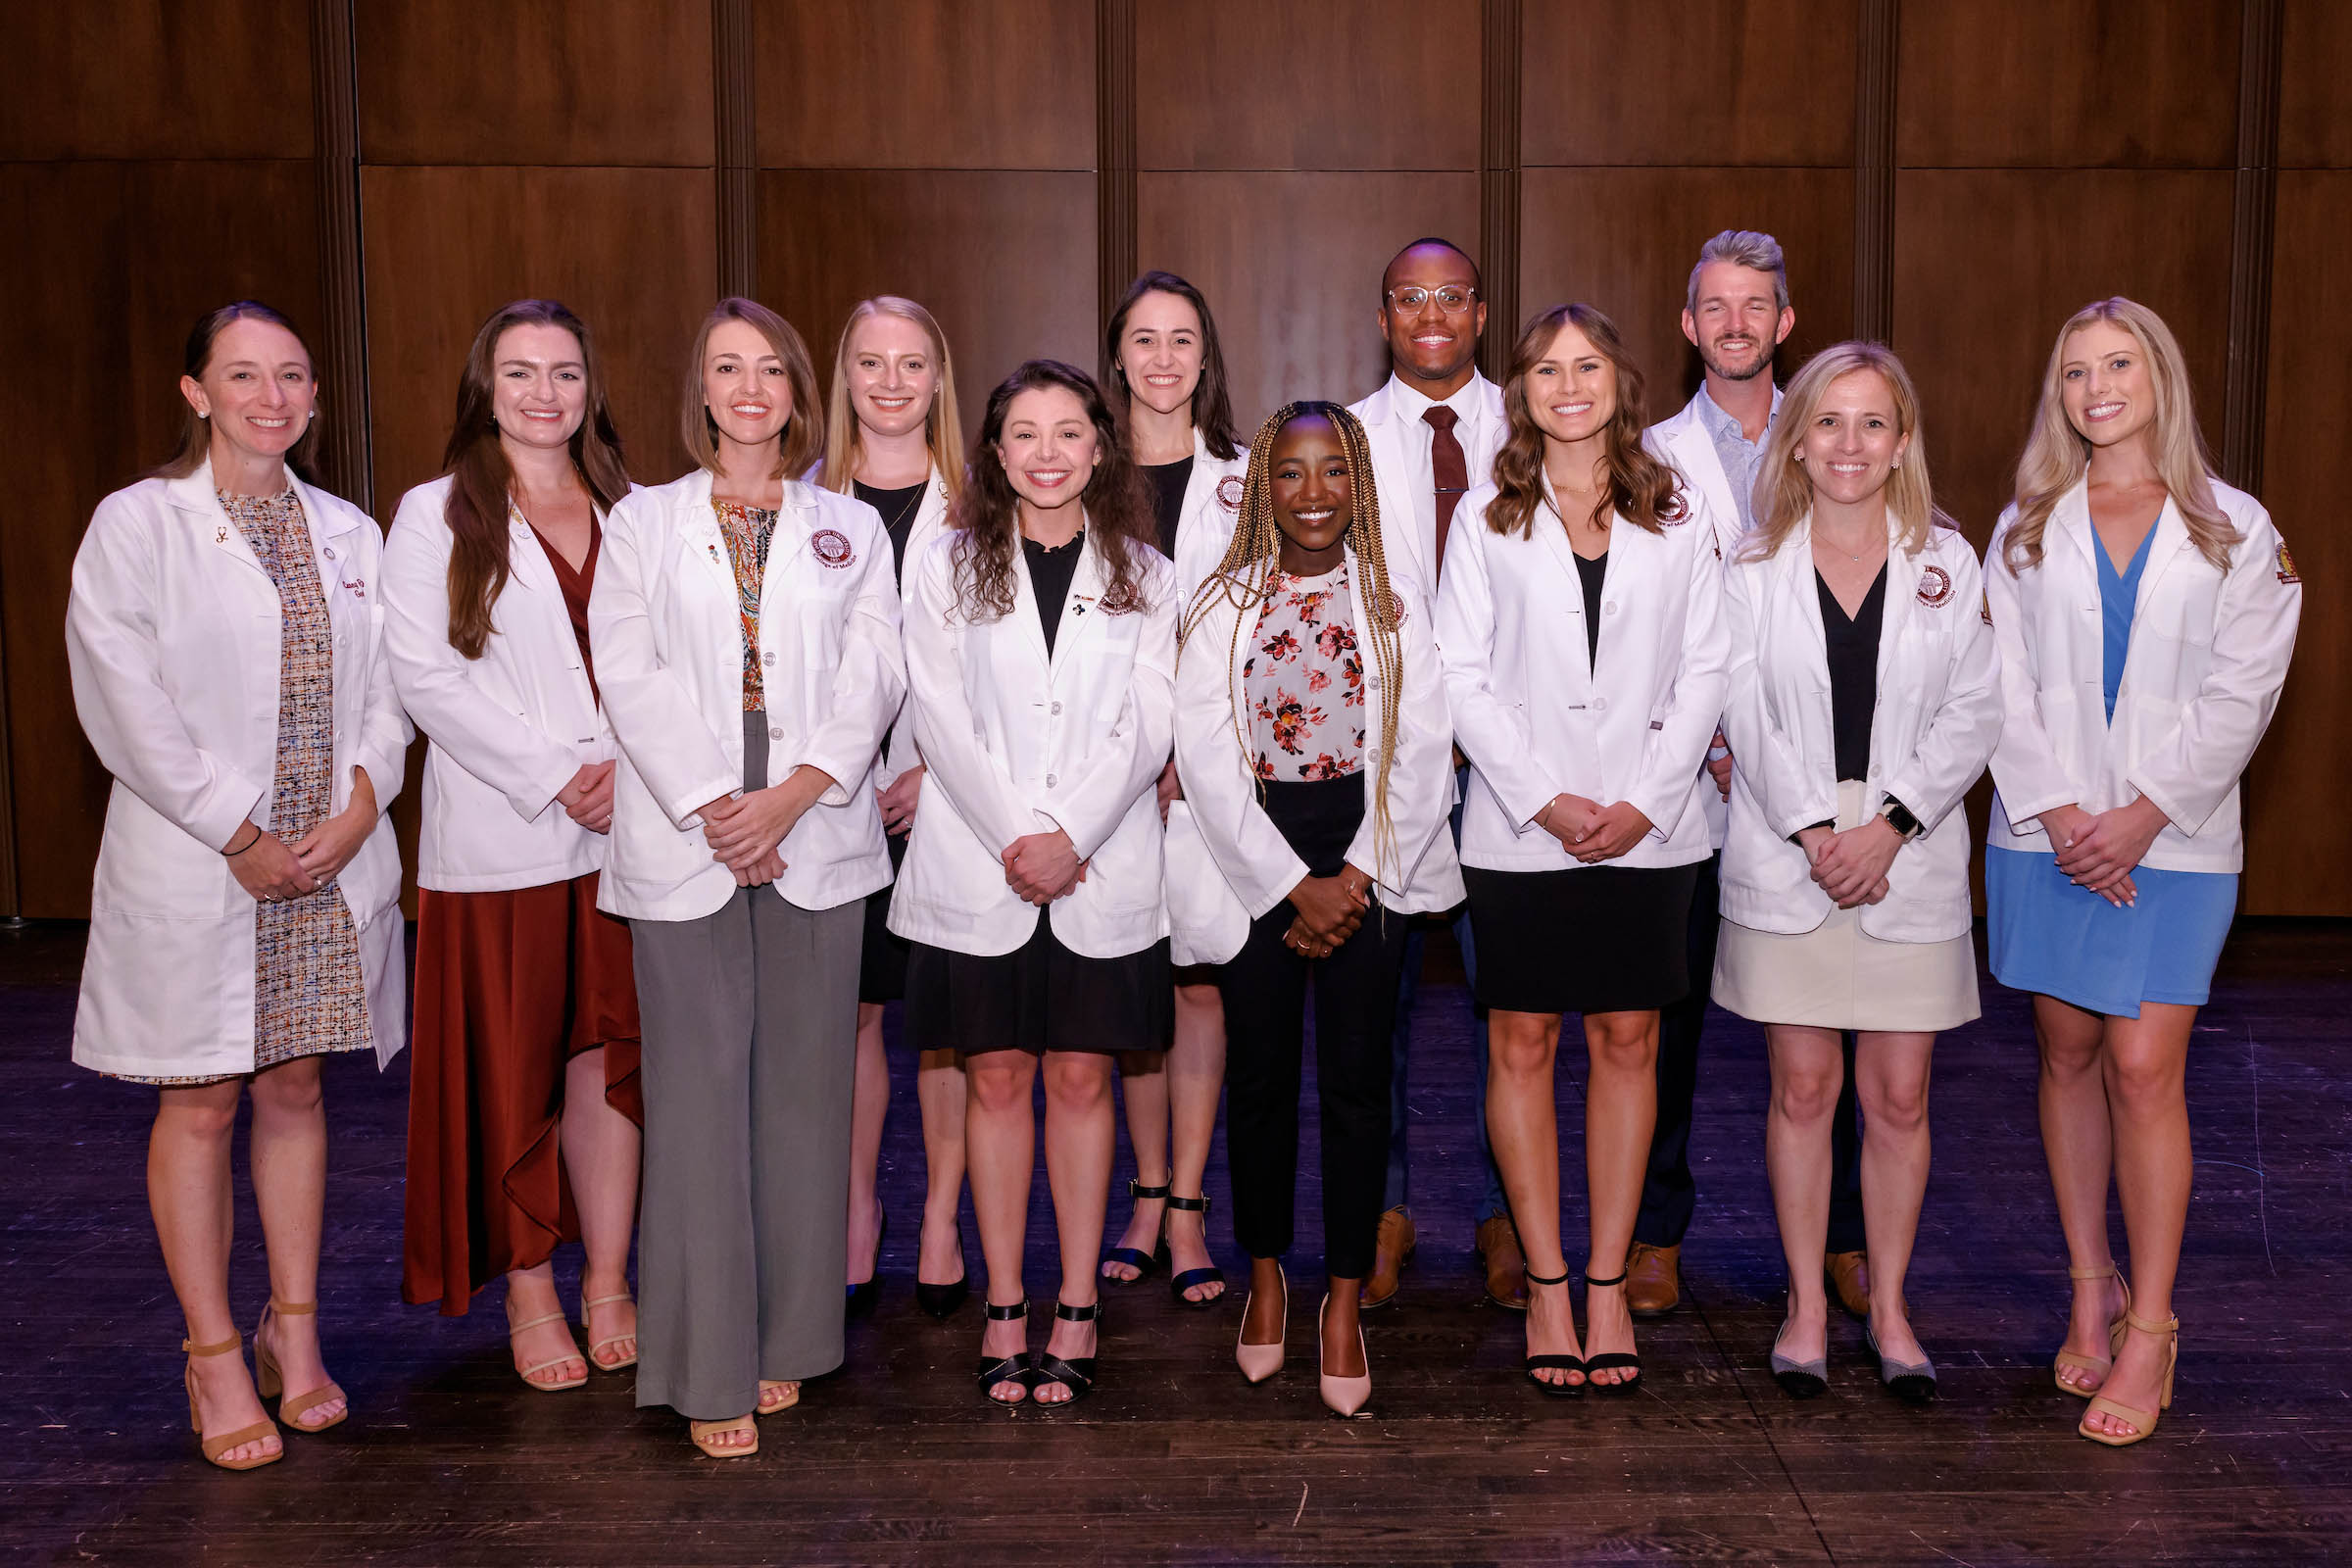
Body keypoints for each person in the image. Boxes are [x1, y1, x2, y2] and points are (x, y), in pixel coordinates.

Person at [66, 301, 409, 1469]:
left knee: (298, 1090)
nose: (273, 398)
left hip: (325, 861)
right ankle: (213, 1350)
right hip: (214, 864)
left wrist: (361, 805)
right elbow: (125, 703)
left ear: (315, 398)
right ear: (195, 391)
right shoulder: (138, 527)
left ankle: (293, 1331)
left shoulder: (352, 533)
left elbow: (389, 694)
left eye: (294, 378)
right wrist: (238, 830)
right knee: (202, 1100)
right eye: (245, 376)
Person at [590, 297, 903, 1458]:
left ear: (795, 392)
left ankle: (785, 1340)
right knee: (700, 1103)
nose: (752, 388)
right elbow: (626, 668)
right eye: (729, 368)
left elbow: (876, 668)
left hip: (813, 830)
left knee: (806, 1104)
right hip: (690, 836)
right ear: (702, 391)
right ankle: (705, 1362)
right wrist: (721, 807)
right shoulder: (642, 523)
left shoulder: (849, 527)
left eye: (771, 368)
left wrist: (795, 792)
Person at [1984, 298, 2299, 1446]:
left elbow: (2244, 695)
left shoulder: (2236, 528)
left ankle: (2154, 1325)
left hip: (2176, 842)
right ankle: (2089, 1281)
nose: (2097, 387)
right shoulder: (2025, 524)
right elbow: (1999, 686)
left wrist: (2144, 816)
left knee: (2142, 1064)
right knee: (2066, 1052)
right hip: (2047, 833)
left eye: (2119, 365)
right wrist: (2068, 815)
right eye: (2075, 372)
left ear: (2160, 377)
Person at [1439, 305, 1728, 1395]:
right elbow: (1458, 673)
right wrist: (1545, 799)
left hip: (1653, 833)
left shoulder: (1680, 508)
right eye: (1549, 369)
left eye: (1589, 365)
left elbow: (1710, 666)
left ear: (1621, 379)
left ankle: (1609, 1280)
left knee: (1627, 1042)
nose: (1570, 385)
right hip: (1523, 832)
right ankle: (1549, 1281)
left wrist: (1648, 799)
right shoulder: (1484, 516)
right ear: (1522, 390)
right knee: (1520, 1048)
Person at [1713, 342, 1999, 1405]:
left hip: (1905, 852)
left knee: (1899, 1095)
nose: (1848, 444)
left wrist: (1890, 825)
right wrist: (1812, 829)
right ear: (1798, 438)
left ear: (1903, 441)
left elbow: (1977, 707)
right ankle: (1800, 1304)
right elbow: (1738, 705)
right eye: (1828, 422)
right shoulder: (1748, 566)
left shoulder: (1948, 562)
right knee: (1803, 1087)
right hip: (1794, 851)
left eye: (1872, 423)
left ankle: (1886, 1307)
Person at [891, 361, 1176, 1407]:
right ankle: (1005, 1298)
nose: (1048, 453)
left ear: (1101, 448)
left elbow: (1152, 718)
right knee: (998, 1077)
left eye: (1068, 433)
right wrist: (1024, 835)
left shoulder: (1148, 570)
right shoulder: (946, 565)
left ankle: (1076, 1302)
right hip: (982, 863)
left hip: (1099, 863)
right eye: (1025, 434)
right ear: (996, 452)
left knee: (1080, 1079)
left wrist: (1073, 834)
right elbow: (938, 713)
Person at [1176, 401, 1460, 1416]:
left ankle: (1342, 1296)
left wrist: (1359, 876)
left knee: (1354, 1087)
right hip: (1254, 855)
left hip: (1371, 856)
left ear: (1359, 483)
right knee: (1256, 1081)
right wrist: (1290, 882)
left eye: (1332, 471)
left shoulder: (1391, 599)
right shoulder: (1222, 601)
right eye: (1290, 474)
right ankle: (1265, 1277)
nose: (1312, 493)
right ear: (1261, 485)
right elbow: (1204, 753)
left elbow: (1425, 746)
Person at [385, 299, 643, 1392]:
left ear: (592, 387)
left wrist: (626, 773)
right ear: (484, 387)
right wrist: (559, 776)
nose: (546, 394)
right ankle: (532, 1283)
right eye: (522, 372)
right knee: (517, 1069)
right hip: (506, 841)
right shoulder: (434, 513)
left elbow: (670, 659)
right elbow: (425, 675)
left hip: (630, 833)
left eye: (567, 372)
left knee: (611, 1059)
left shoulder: (635, 508)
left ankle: (611, 1278)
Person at [1637, 228, 1872, 1319]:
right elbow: (1638, 628)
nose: (1735, 324)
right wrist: (1704, 736)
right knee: (1667, 1017)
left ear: (1785, 323)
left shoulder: (1842, 438)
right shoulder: (1645, 456)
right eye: (1715, 307)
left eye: (1756, 306)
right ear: (1690, 327)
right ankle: (1654, 1230)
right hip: (1691, 778)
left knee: (1840, 1019)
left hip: (1826, 784)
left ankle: (1846, 1239)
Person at [1348, 236, 1519, 1310]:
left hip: (1510, 765)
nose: (1431, 314)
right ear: (1383, 317)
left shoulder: (1540, 421)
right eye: (1410, 297)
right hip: (1383, 761)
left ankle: (1510, 1217)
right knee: (1375, 1012)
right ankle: (1386, 1213)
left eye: (1450, 296)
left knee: (1512, 1011)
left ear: (1481, 310)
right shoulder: (1345, 440)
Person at [815, 296, 968, 1319]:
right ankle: (856, 1210)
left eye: (912, 363)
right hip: (833, 797)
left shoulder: (980, 501)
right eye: (871, 362)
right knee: (855, 1014)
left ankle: (943, 1219)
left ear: (938, 380)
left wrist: (938, 774)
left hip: (950, 798)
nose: (891, 382)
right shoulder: (801, 500)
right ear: (845, 378)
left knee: (948, 1022)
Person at [1101, 270, 1247, 1306]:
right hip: (1106, 779)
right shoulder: (1076, 468)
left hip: (1208, 782)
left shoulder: (1249, 477)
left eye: (1181, 339)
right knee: (1127, 996)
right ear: (1117, 357)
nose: (1162, 359)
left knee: (1198, 987)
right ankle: (1144, 1194)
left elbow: (1261, 635)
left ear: (1206, 357)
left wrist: (1192, 757)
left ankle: (1190, 1202)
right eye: (1143, 340)